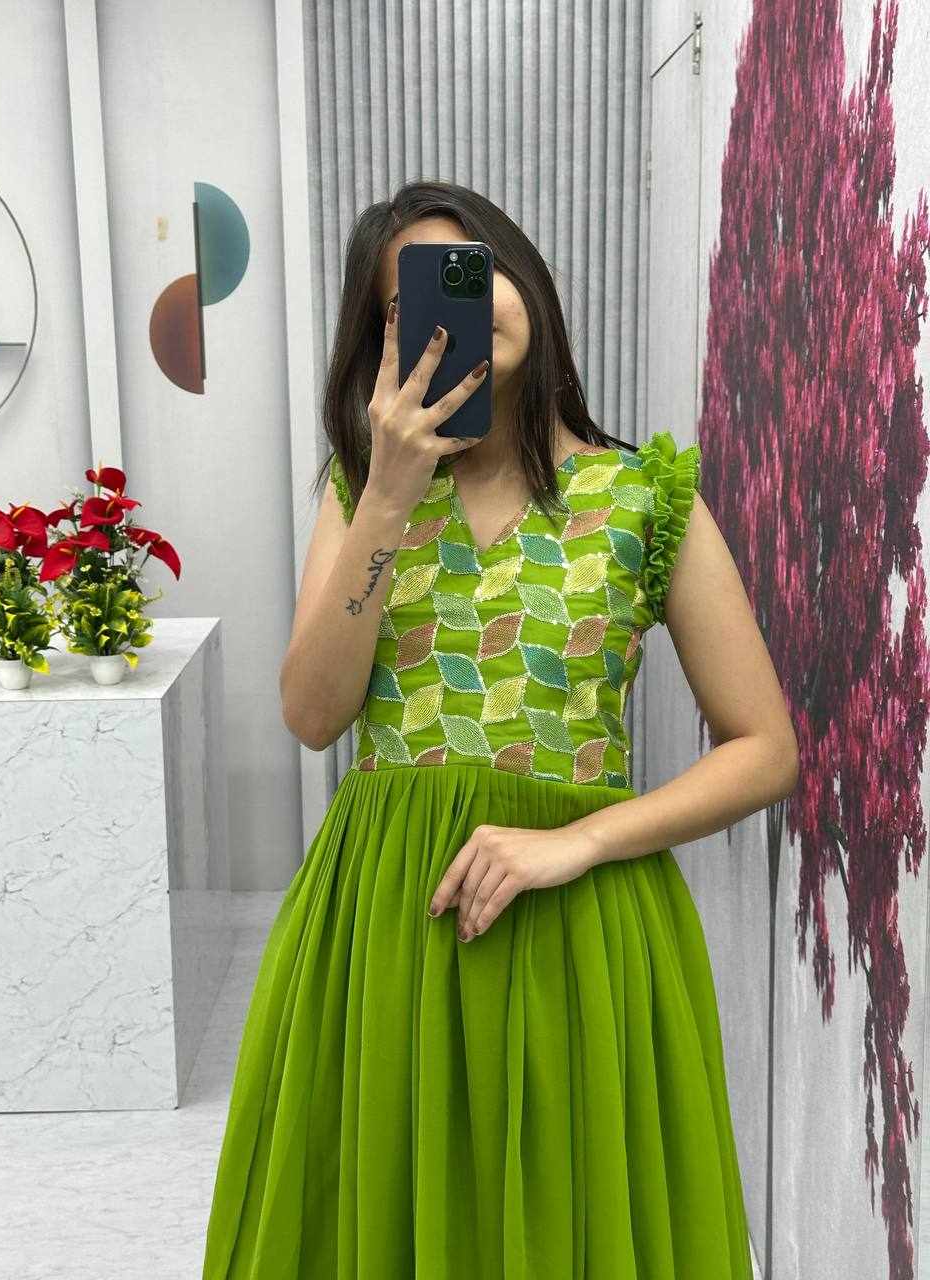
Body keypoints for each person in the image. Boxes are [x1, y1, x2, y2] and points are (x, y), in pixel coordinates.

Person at [202, 180, 798, 1278]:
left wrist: (580, 839)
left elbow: (764, 747)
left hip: (581, 921)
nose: (453, 308)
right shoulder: (363, 492)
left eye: (470, 271)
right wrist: (389, 495)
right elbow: (313, 715)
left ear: (524, 277)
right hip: (386, 920)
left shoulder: (643, 496)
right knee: (382, 1220)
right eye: (408, 302)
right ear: (381, 343)